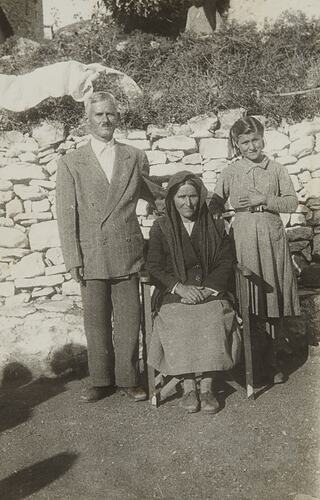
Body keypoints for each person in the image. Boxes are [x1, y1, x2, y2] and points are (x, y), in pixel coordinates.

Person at [56, 91, 162, 403]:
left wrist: (193, 202)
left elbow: (153, 195)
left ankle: (129, 378)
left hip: (127, 250)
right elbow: (66, 214)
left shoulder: (134, 156)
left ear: (117, 117)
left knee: (129, 319)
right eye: (98, 115)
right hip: (92, 253)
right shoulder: (71, 162)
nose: (105, 120)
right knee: (96, 320)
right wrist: (73, 257)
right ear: (87, 120)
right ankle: (101, 380)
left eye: (110, 114)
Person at [210, 116, 300, 385]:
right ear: (236, 145)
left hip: (272, 241)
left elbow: (293, 203)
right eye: (245, 142)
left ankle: (272, 361)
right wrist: (218, 221)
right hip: (244, 240)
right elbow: (215, 201)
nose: (251, 146)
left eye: (255, 140)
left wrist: (265, 200)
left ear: (263, 139)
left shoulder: (277, 169)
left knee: (271, 300)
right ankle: (249, 361)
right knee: (248, 299)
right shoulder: (231, 171)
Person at [146, 171, 240, 414]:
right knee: (178, 319)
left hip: (211, 291)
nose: (188, 203)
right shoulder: (161, 227)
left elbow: (226, 260)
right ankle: (188, 386)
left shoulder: (216, 225)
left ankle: (207, 386)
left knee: (212, 317)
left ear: (201, 197)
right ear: (171, 200)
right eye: (181, 197)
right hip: (175, 291)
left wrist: (208, 289)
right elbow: (153, 266)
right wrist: (180, 288)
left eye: (193, 196)